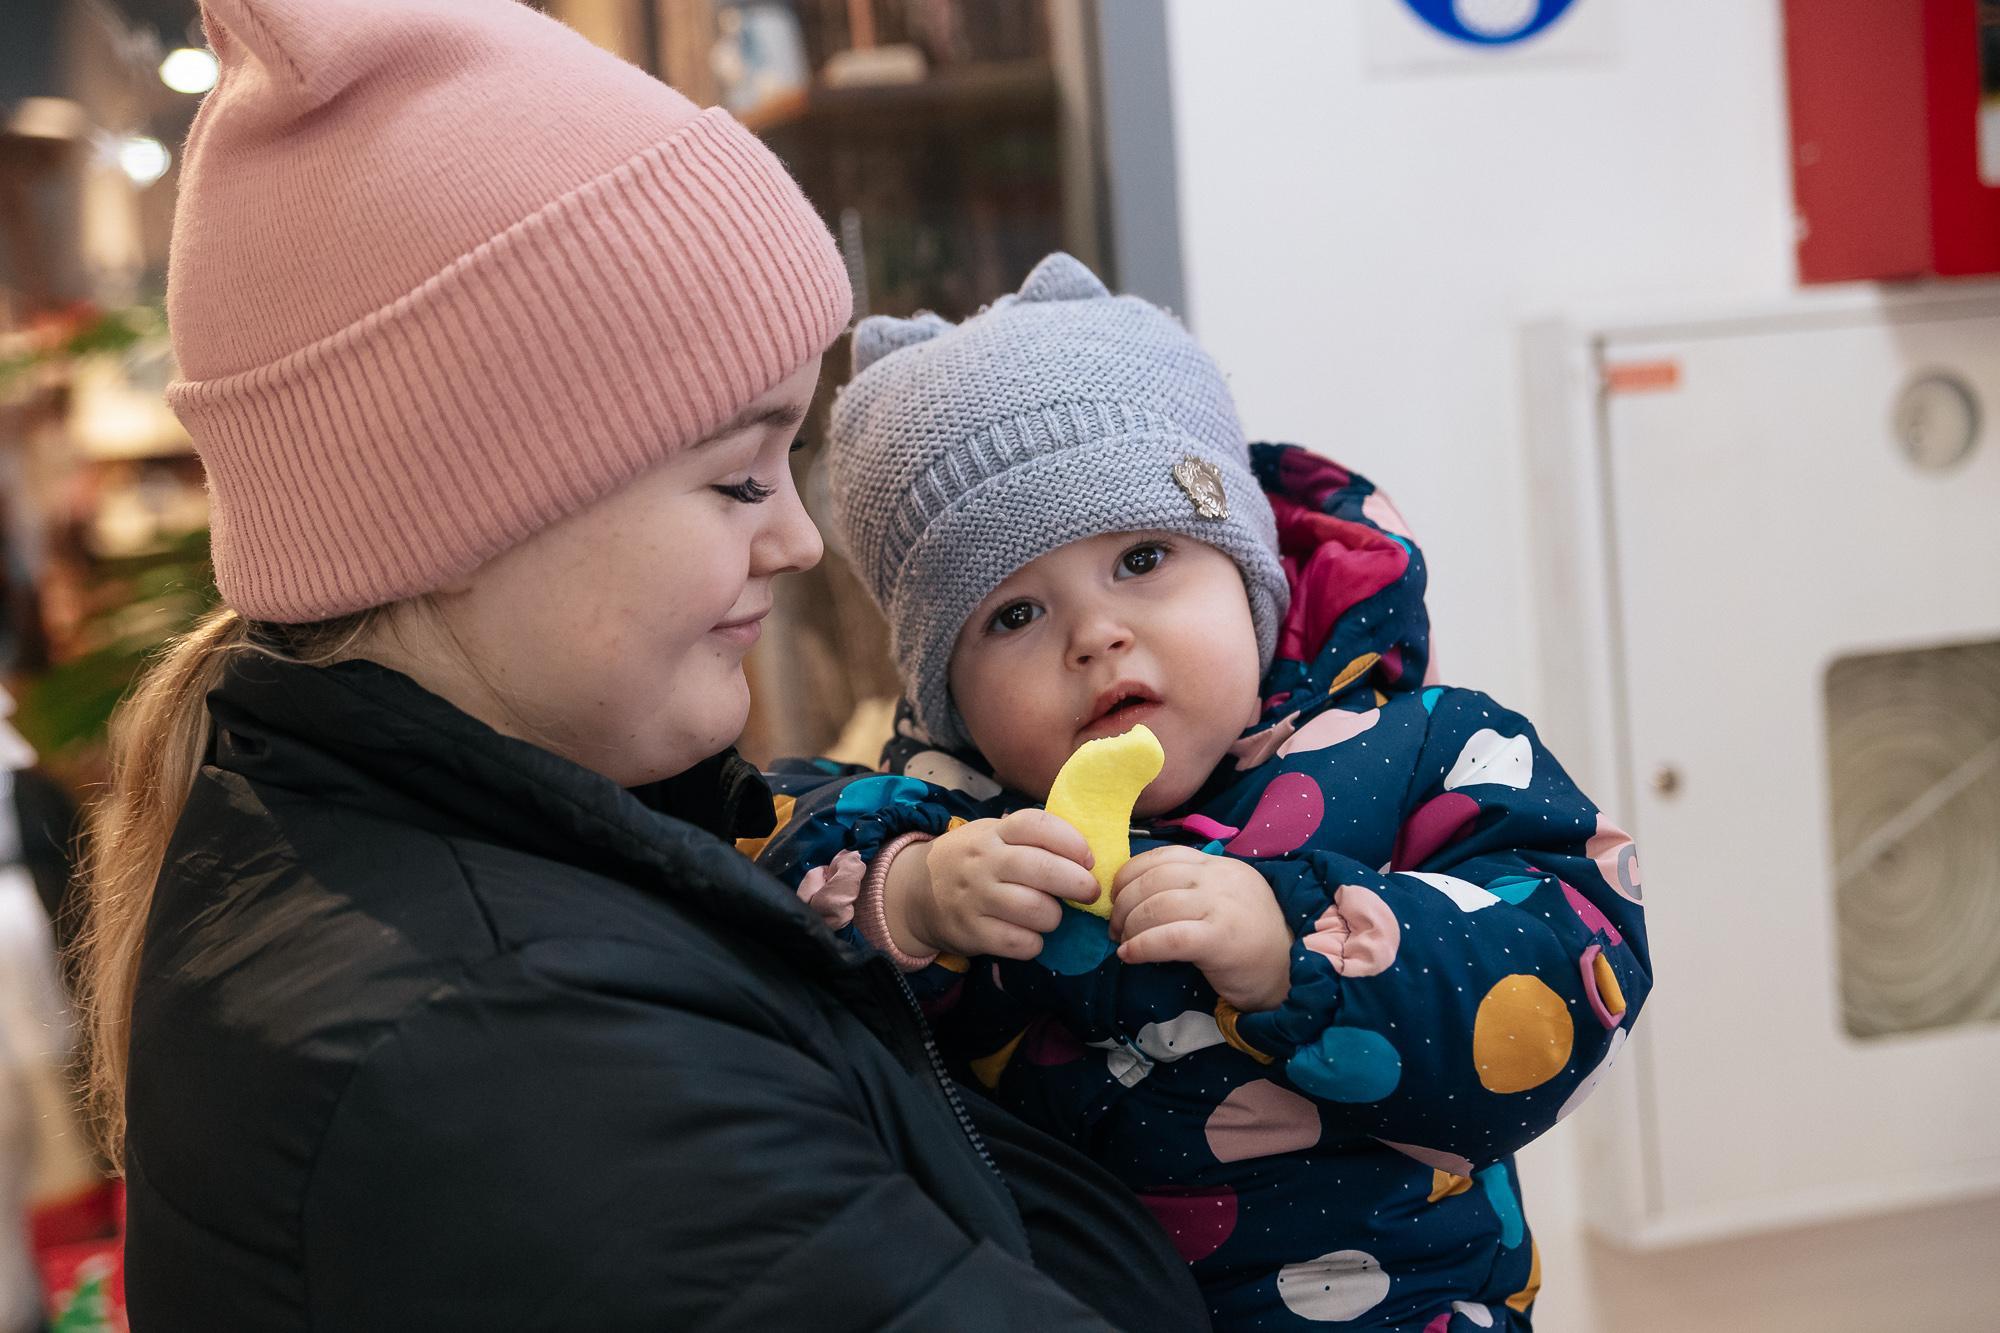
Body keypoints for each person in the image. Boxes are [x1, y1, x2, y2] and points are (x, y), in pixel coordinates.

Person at [76, 4, 1209, 1329]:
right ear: (452, 512)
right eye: (738, 476)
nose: (799, 540)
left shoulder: (453, 881)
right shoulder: (523, 1057)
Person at [757, 254, 1653, 1330]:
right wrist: (906, 899)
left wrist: (1298, 944)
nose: (1095, 634)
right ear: (945, 693)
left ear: (1249, 567)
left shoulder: (1418, 752)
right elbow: (773, 905)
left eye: (1141, 557)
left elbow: (1574, 961)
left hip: (1407, 1304)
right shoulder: (954, 825)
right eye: (1012, 615)